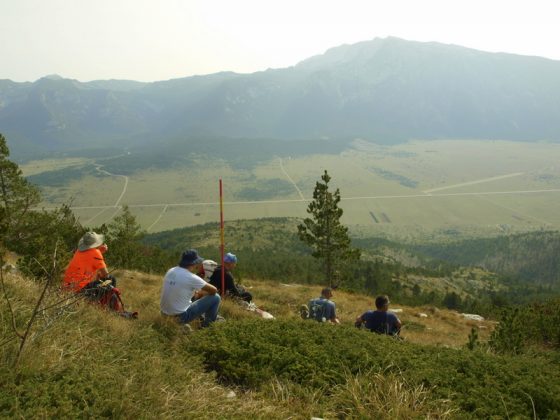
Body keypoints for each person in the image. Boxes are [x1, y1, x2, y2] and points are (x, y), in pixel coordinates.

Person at [160, 249, 221, 328]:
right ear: (194, 263)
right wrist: (201, 293)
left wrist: (197, 293)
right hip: (180, 317)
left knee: (193, 295)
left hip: (164, 314)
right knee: (216, 297)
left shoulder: (171, 270)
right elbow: (214, 290)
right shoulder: (191, 277)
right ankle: (208, 326)